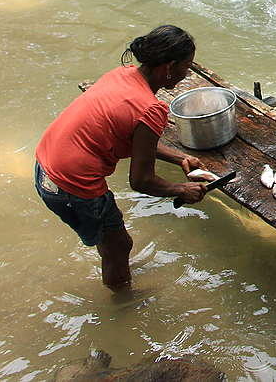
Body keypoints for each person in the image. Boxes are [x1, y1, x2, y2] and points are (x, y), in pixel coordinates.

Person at [35, 25, 207, 291]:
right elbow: (141, 181)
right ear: (168, 67)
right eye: (187, 67)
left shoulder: (122, 75)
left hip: (45, 168)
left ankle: (114, 270)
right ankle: (123, 304)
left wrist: (178, 157)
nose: (187, 74)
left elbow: (127, 136)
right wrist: (181, 189)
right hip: (73, 184)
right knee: (119, 246)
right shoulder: (151, 108)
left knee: (111, 239)